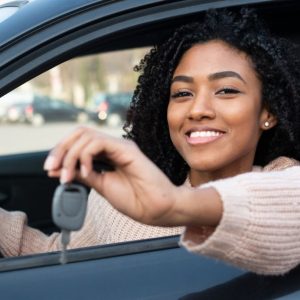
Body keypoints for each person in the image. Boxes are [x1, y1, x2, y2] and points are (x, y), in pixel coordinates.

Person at [1, 7, 300, 276]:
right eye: (182, 94)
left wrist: (176, 206)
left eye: (226, 91)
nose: (197, 110)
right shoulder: (119, 199)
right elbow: (56, 261)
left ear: (268, 113)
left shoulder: (284, 182)